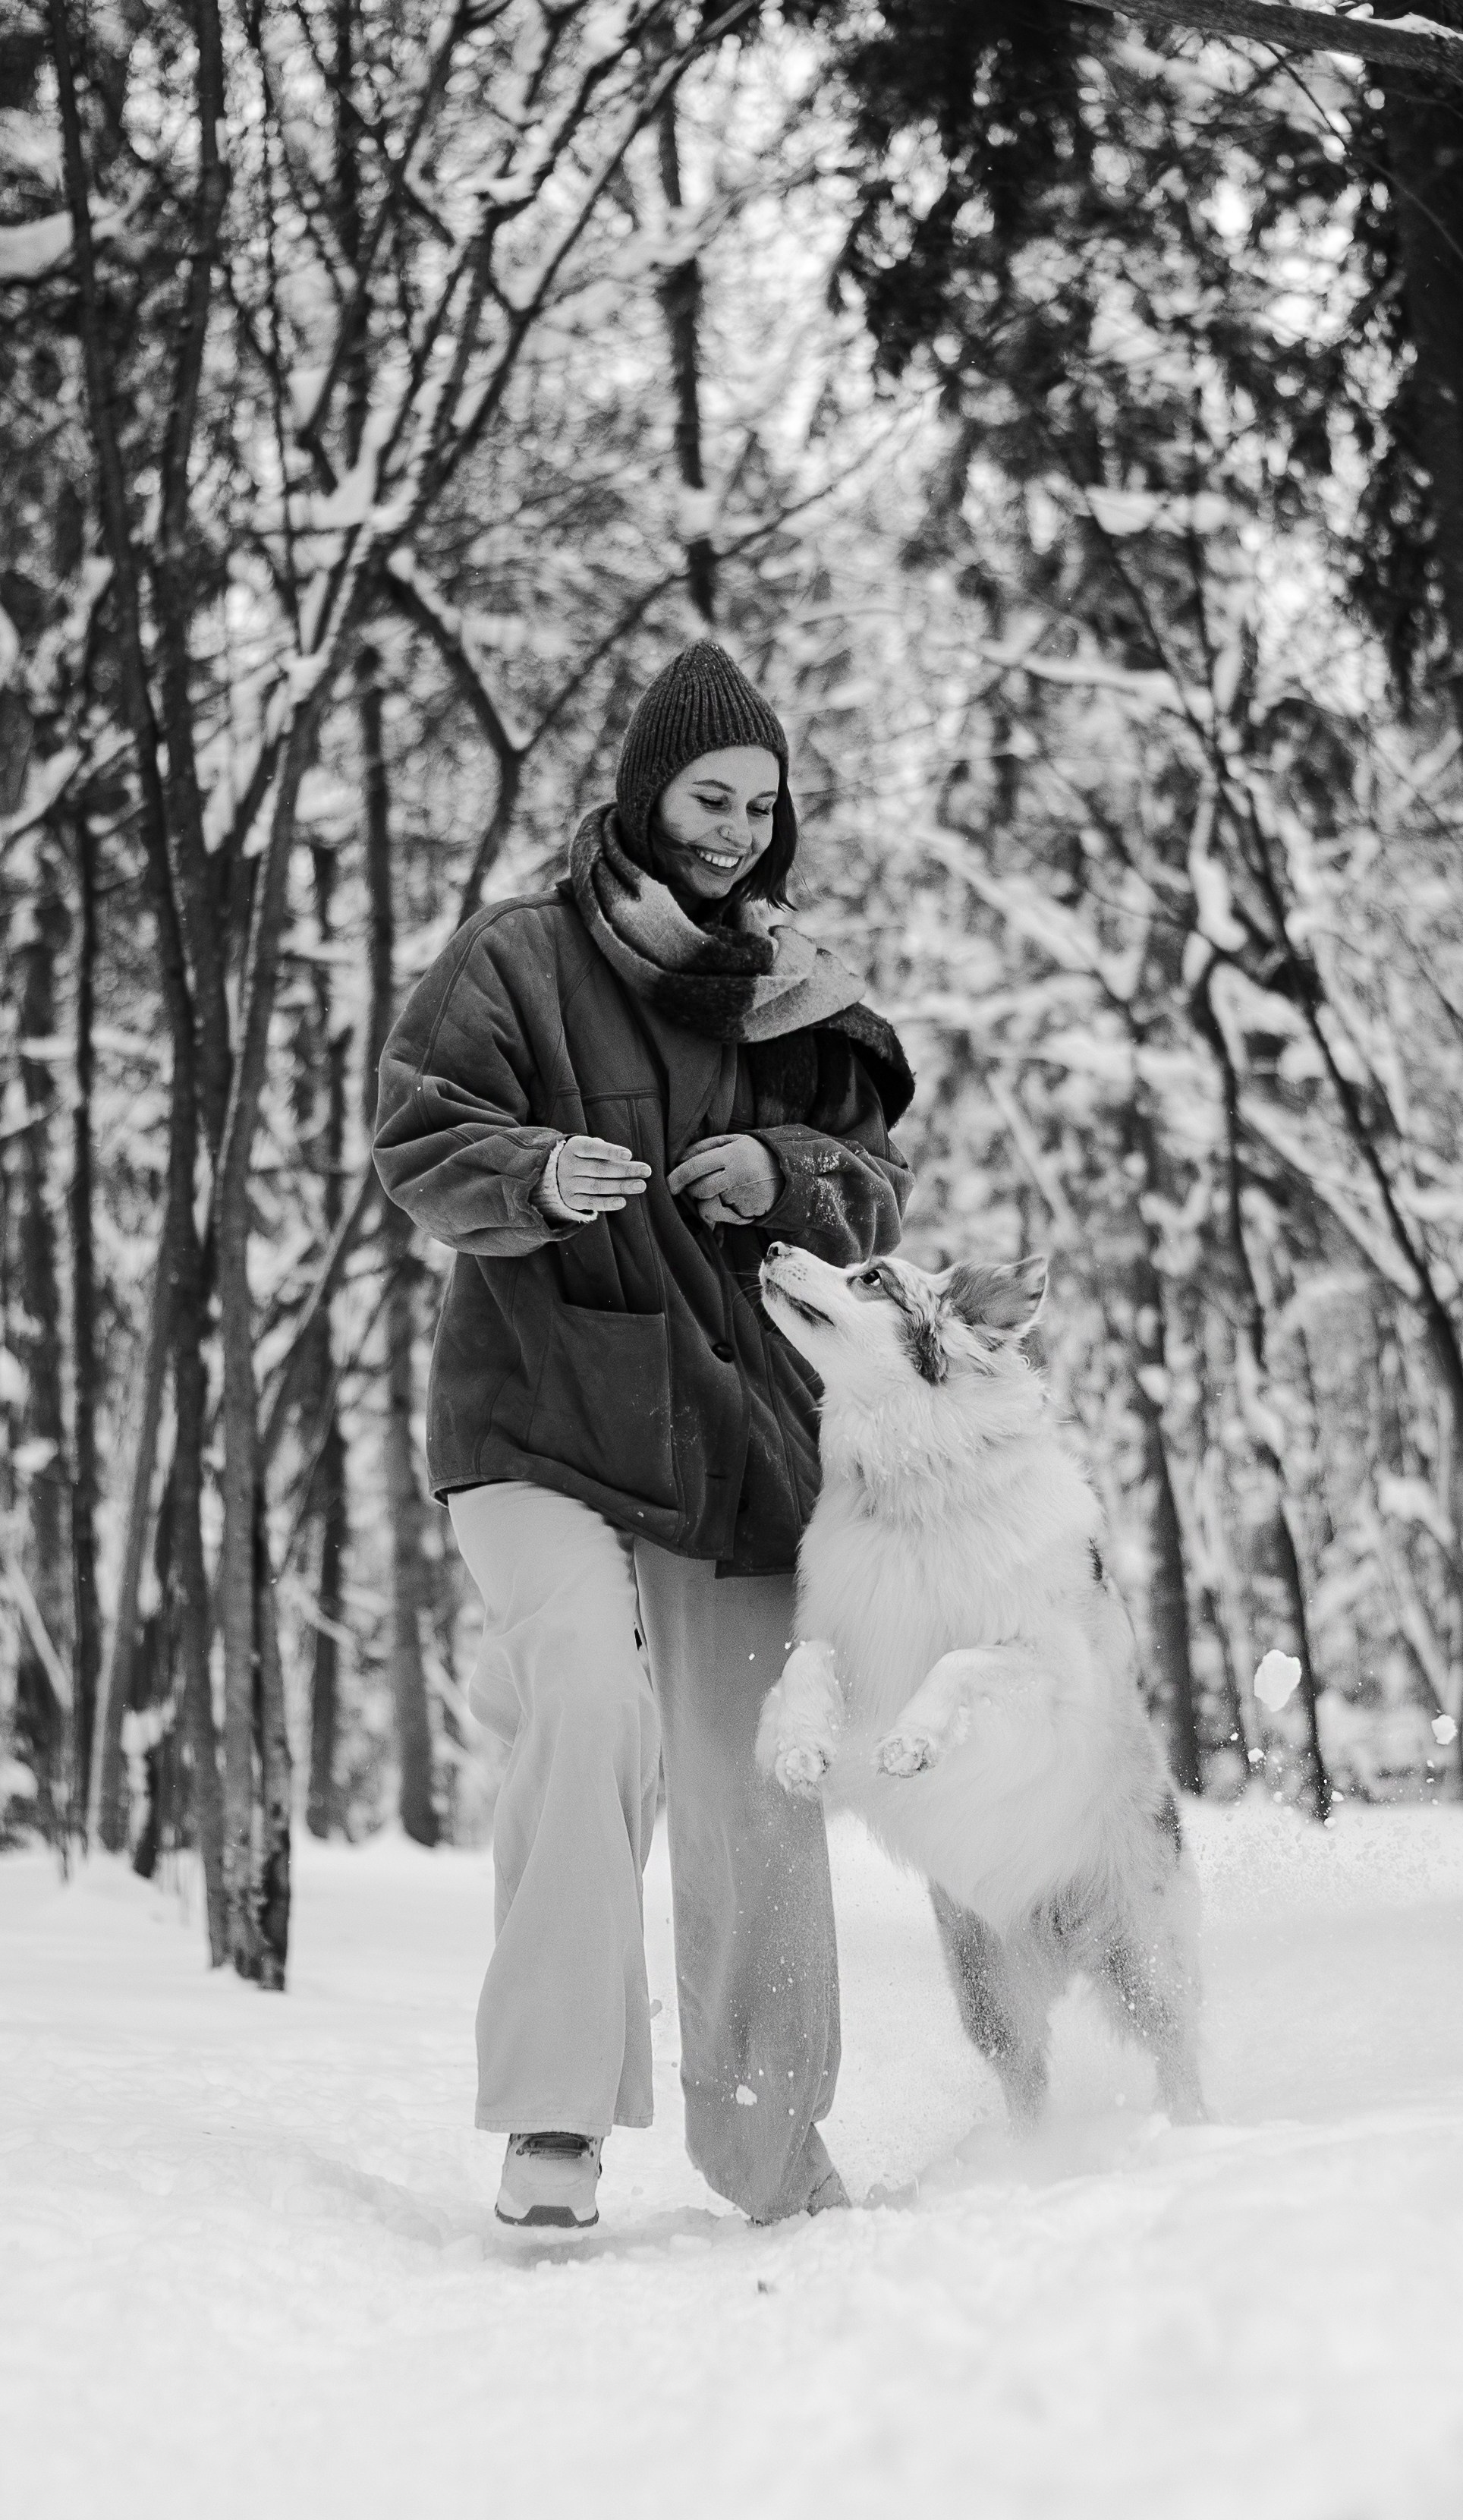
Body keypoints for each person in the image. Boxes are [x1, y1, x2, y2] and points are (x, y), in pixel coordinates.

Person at [373, 639, 913, 2232]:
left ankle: (772, 2151)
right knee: (593, 1701)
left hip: (734, 1433)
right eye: (708, 796)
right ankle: (552, 2118)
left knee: (758, 1782)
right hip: (537, 1414)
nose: (736, 830)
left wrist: (784, 1174)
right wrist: (533, 1174)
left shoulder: (798, 993)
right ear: (644, 792)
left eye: (760, 803)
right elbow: (419, 1136)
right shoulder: (519, 958)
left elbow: (873, 1186)